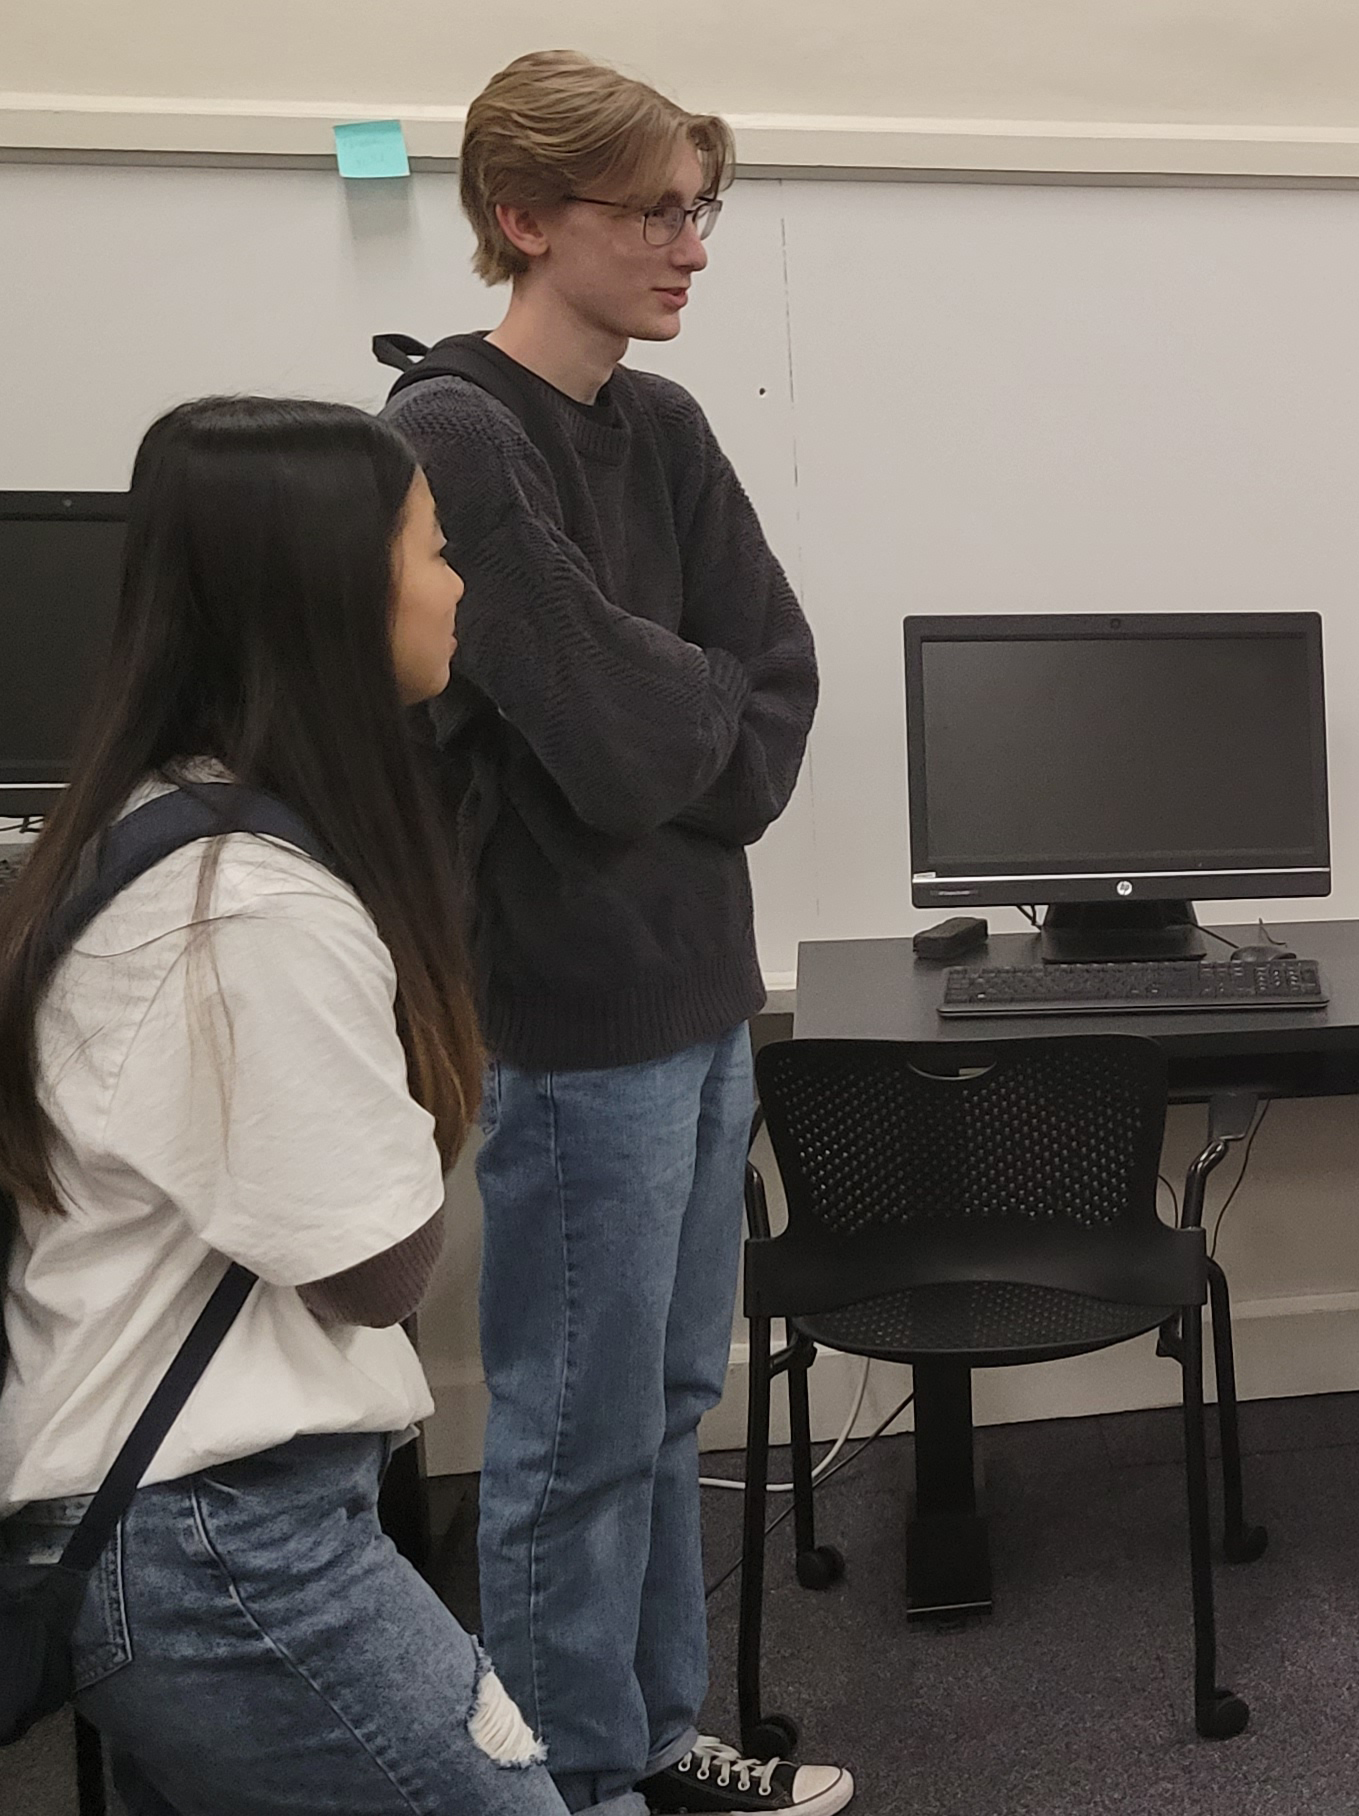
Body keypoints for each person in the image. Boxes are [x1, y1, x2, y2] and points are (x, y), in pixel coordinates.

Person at [380, 51, 837, 1816]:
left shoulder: (666, 430)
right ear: (522, 217)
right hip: (570, 1020)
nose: (691, 248)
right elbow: (616, 732)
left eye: (698, 208)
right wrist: (682, 712)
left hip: (704, 993)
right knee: (570, 1440)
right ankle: (573, 1783)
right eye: (654, 210)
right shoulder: (449, 433)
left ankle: (647, 1740)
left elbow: (773, 698)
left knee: (662, 1406)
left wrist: (677, 717)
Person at [0, 397, 564, 1813]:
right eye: (433, 551)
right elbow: (378, 1267)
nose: (456, 587)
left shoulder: (149, 823)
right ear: (334, 595)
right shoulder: (250, 911)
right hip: (219, 1548)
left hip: (151, 1529)